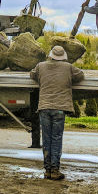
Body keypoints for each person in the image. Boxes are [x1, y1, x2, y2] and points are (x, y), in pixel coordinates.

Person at [29, 45, 84, 180]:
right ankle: (55, 169)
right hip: (60, 108)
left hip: (44, 107)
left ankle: (47, 170)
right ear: (63, 57)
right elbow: (81, 76)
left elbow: (32, 74)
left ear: (50, 55)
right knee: (56, 138)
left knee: (46, 139)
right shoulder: (68, 67)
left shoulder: (41, 66)